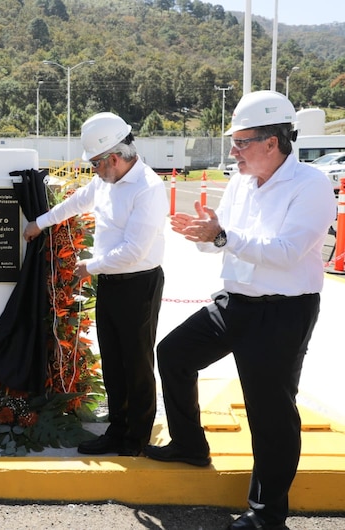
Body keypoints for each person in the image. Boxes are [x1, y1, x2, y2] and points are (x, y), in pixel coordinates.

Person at [144, 91, 336, 530]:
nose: (234, 151)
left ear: (273, 142)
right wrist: (203, 233)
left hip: (282, 313)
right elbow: (216, 241)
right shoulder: (240, 182)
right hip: (235, 303)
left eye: (242, 142)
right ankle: (190, 446)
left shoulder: (311, 185)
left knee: (269, 411)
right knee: (173, 354)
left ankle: (268, 515)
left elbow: (287, 253)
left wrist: (223, 236)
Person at [23, 112, 168, 457]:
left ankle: (135, 438)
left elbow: (134, 251)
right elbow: (78, 201)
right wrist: (40, 223)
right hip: (112, 282)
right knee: (114, 359)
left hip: (138, 284)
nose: (94, 172)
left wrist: (89, 267)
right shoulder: (107, 180)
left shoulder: (148, 188)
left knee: (137, 362)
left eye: (95, 165)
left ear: (113, 158)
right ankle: (117, 430)